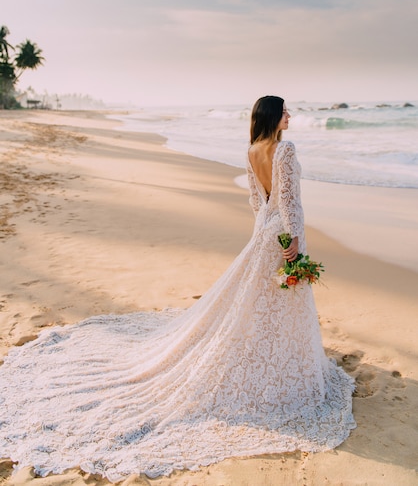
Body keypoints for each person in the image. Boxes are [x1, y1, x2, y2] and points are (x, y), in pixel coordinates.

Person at [0, 95, 355, 482]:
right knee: (278, 301)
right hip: (282, 235)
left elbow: (257, 201)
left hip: (263, 234)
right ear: (273, 116)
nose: (290, 115)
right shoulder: (284, 149)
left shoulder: (252, 149)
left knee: (258, 303)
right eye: (285, 110)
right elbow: (290, 202)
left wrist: (262, 238)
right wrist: (294, 244)